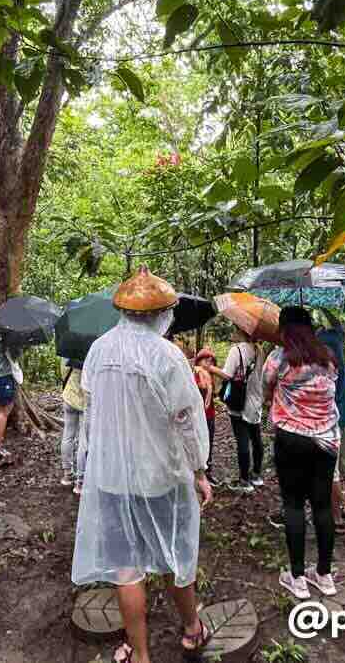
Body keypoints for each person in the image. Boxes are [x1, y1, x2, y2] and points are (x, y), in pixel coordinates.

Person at [71, 267, 213, 663]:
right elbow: (186, 419)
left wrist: (87, 467)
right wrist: (199, 470)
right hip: (160, 475)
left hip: (114, 474)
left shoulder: (99, 349)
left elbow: (91, 414)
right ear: (163, 314)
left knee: (126, 568)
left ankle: (140, 653)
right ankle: (191, 629)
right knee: (174, 553)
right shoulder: (166, 355)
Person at [262, 306, 339, 600]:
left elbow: (266, 389)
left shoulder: (278, 359)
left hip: (291, 440)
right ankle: (324, 574)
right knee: (322, 506)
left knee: (293, 505)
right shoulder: (328, 358)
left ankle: (296, 577)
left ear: (284, 329)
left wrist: (277, 397)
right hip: (326, 443)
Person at [204, 327, 266, 493]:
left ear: (241, 331)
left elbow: (227, 375)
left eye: (235, 328)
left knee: (242, 439)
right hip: (255, 398)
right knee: (256, 437)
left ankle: (244, 480)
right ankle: (257, 475)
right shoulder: (259, 350)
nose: (233, 330)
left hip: (239, 400)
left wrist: (210, 369)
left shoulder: (236, 350)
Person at [319, 319, 345, 527]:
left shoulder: (319, 352)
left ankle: (335, 518)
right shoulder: (338, 343)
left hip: (328, 420)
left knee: (330, 470)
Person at [60, 358, 89, 494]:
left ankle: (67, 475)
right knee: (84, 441)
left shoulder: (69, 352)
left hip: (69, 397)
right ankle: (80, 482)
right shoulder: (92, 356)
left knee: (68, 436)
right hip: (85, 402)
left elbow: (63, 372)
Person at [193, 348, 219, 486]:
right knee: (198, 442)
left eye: (211, 360)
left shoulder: (210, 375)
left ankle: (208, 471)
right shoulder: (195, 373)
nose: (209, 362)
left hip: (209, 414)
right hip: (197, 415)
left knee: (208, 441)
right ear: (199, 361)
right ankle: (198, 472)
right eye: (205, 359)